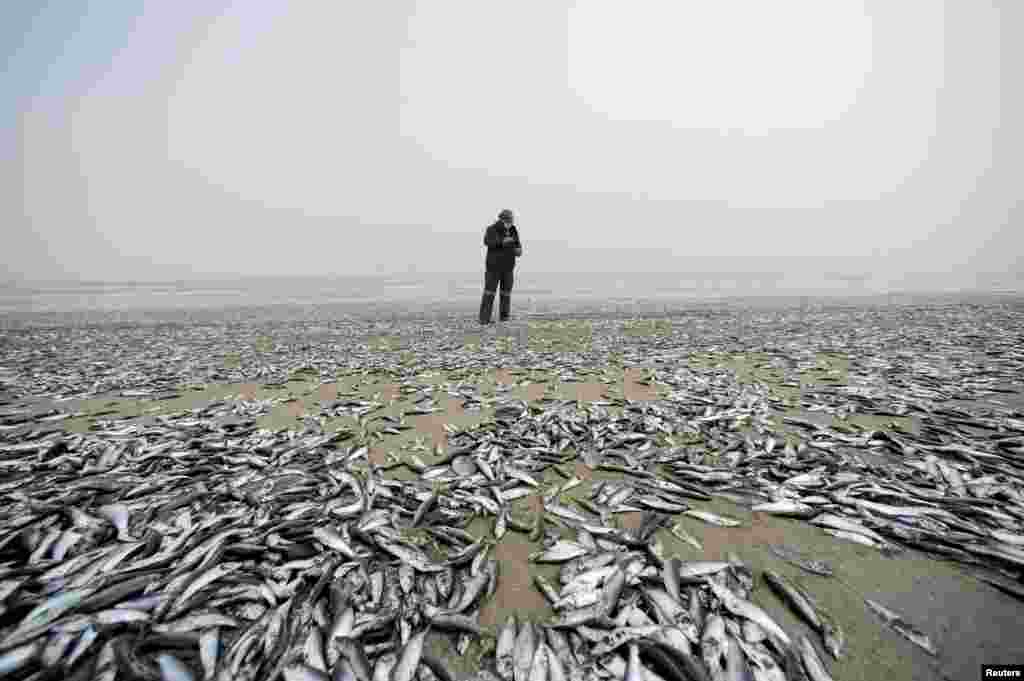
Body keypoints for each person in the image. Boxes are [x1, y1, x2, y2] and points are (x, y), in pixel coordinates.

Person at [479, 208, 523, 324]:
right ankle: (484, 319)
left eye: (512, 219)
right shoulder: (492, 229)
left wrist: (518, 250)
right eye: (510, 219)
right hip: (493, 267)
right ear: (503, 219)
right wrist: (502, 242)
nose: (512, 221)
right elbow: (488, 242)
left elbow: (517, 245)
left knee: (506, 293)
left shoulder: (513, 230)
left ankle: (504, 318)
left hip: (508, 267)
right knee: (489, 292)